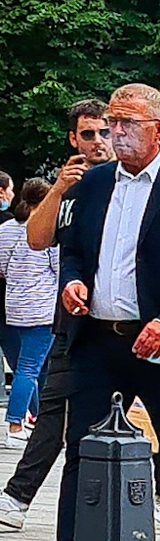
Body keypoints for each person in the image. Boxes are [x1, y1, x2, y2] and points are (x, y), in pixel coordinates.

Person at [22, 83, 160, 541]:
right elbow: (73, 253)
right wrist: (73, 282)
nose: (116, 130)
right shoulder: (95, 183)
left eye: (127, 121)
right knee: (82, 451)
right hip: (98, 339)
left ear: (159, 129)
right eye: (112, 121)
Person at [0, 100, 110, 540]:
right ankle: (18, 496)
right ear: (73, 139)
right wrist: (59, 189)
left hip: (127, 321)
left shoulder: (133, 183)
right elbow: (36, 239)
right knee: (54, 407)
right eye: (88, 135)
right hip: (72, 319)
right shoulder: (71, 187)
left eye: (105, 132)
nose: (98, 143)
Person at [0, 179, 61, 445]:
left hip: (13, 306)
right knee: (30, 369)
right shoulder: (50, 230)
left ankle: (37, 418)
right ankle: (15, 424)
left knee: (28, 366)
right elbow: (59, 271)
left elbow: (2, 266)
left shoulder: (5, 229)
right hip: (43, 308)